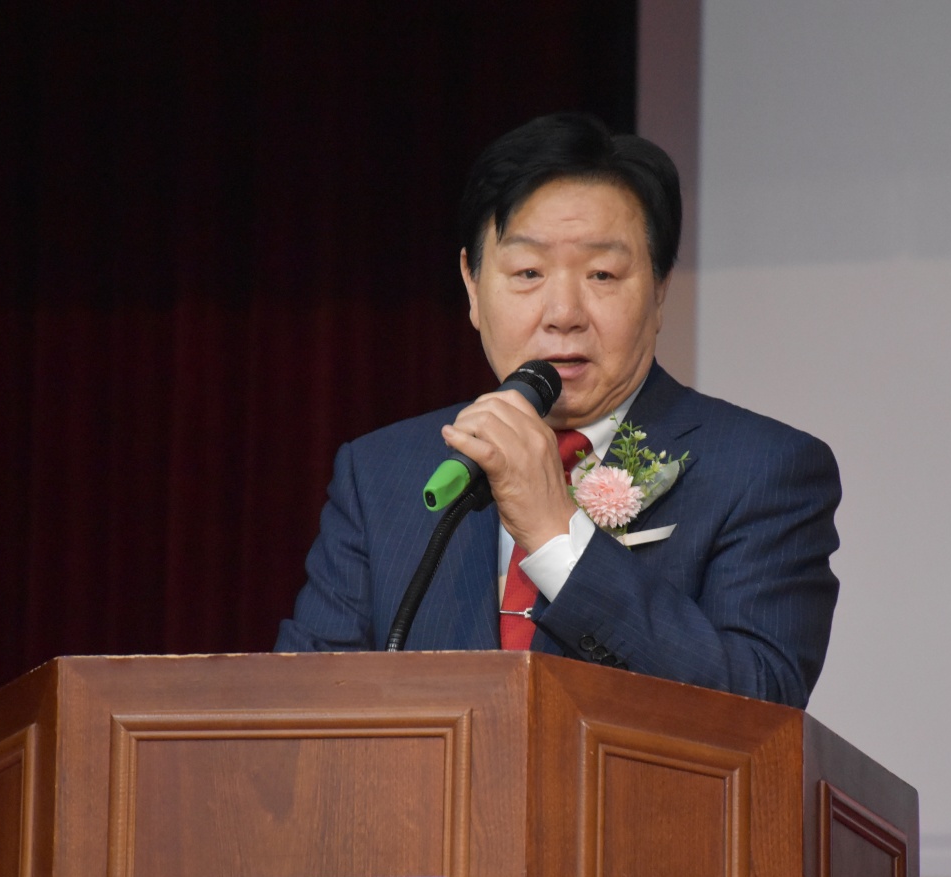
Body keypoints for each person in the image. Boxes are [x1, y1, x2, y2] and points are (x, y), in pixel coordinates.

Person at [275, 113, 840, 708]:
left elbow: (759, 705)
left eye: (602, 274)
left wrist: (553, 532)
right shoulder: (381, 474)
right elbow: (302, 711)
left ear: (659, 289)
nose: (563, 313)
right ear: (472, 286)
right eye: (528, 272)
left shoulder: (764, 471)